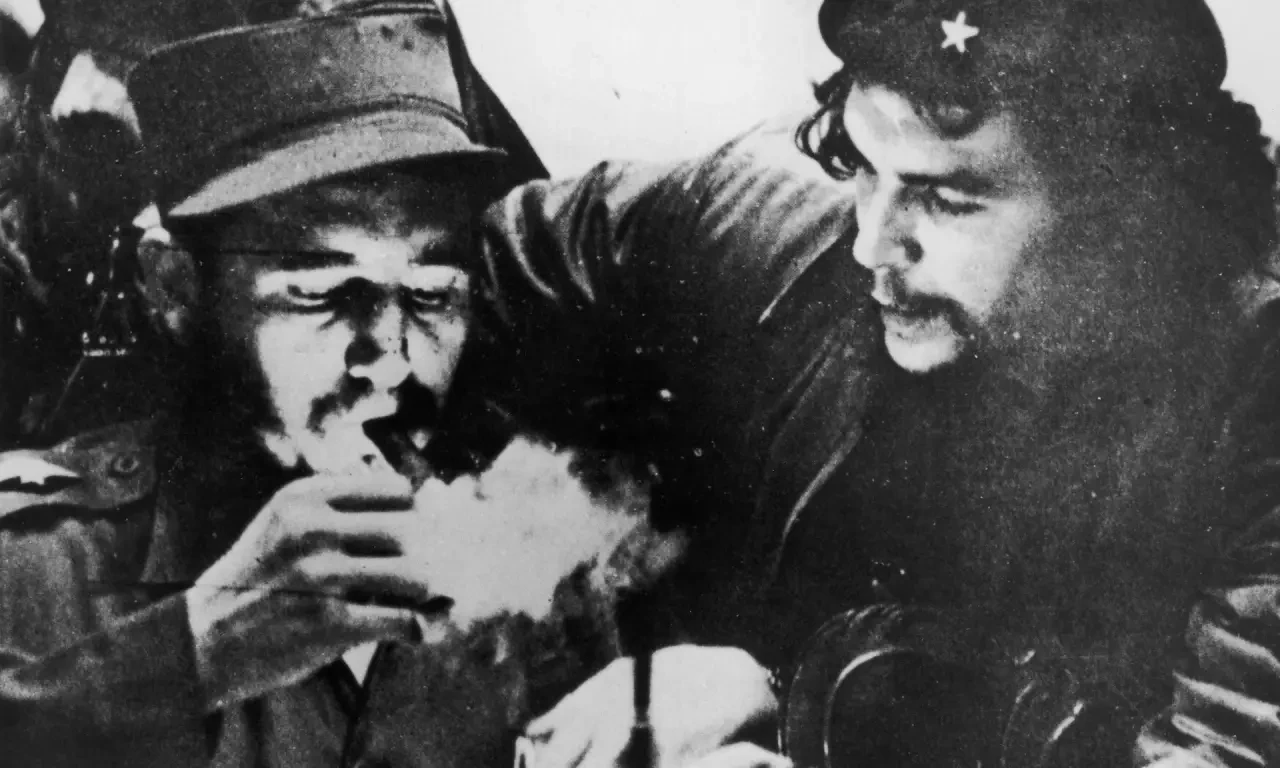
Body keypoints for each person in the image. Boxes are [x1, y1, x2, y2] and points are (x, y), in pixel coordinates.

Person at [464, 0, 1280, 765]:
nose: (871, 244)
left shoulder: (1257, 395)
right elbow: (475, 269)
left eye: (948, 200)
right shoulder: (770, 220)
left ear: (1116, 220)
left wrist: (786, 708)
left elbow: (1220, 748)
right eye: (861, 165)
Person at [0, 8, 680, 768]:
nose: (390, 359)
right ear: (176, 289)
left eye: (431, 294)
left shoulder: (539, 572)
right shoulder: (32, 562)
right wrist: (195, 653)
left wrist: (742, 692)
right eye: (321, 293)